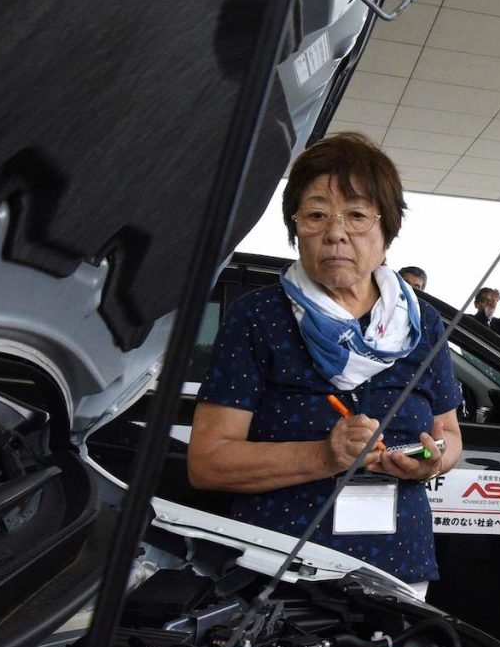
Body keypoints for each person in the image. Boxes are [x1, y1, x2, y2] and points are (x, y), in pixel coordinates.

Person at [186, 135, 462, 593]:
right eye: (316, 215)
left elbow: (449, 434)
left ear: (386, 233)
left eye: (356, 216)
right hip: (278, 566)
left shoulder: (423, 324)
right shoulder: (258, 318)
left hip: (399, 564)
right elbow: (208, 463)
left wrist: (432, 462)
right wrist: (323, 456)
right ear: (296, 229)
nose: (336, 232)